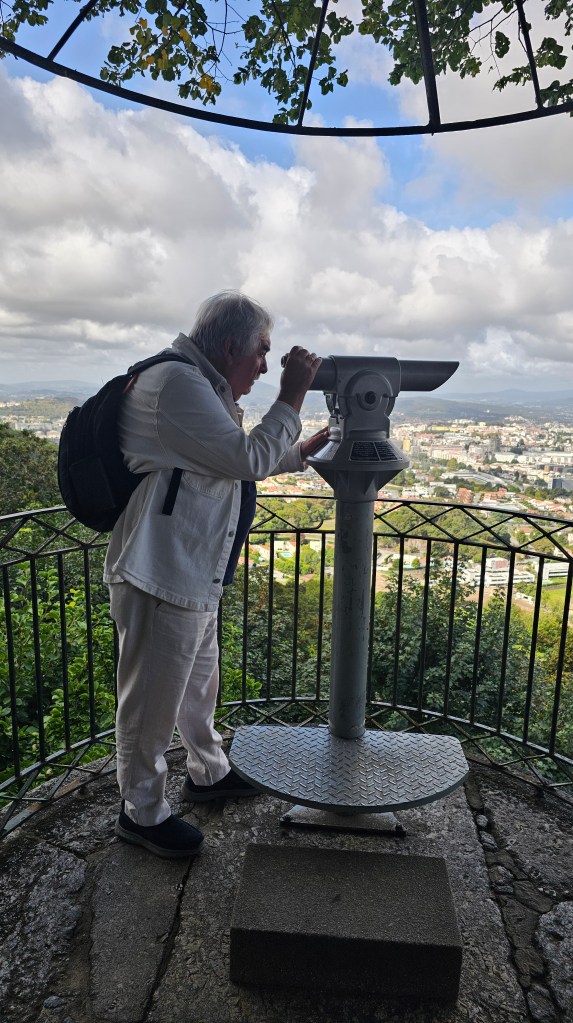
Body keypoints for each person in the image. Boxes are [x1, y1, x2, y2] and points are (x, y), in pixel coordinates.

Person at [104, 291, 325, 858]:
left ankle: (208, 772)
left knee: (197, 688)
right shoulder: (177, 384)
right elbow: (245, 459)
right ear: (230, 346)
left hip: (193, 569)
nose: (266, 366)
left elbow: (226, 459)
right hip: (160, 572)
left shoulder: (203, 385)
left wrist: (297, 452)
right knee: (151, 702)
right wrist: (292, 395)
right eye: (262, 352)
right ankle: (141, 813)